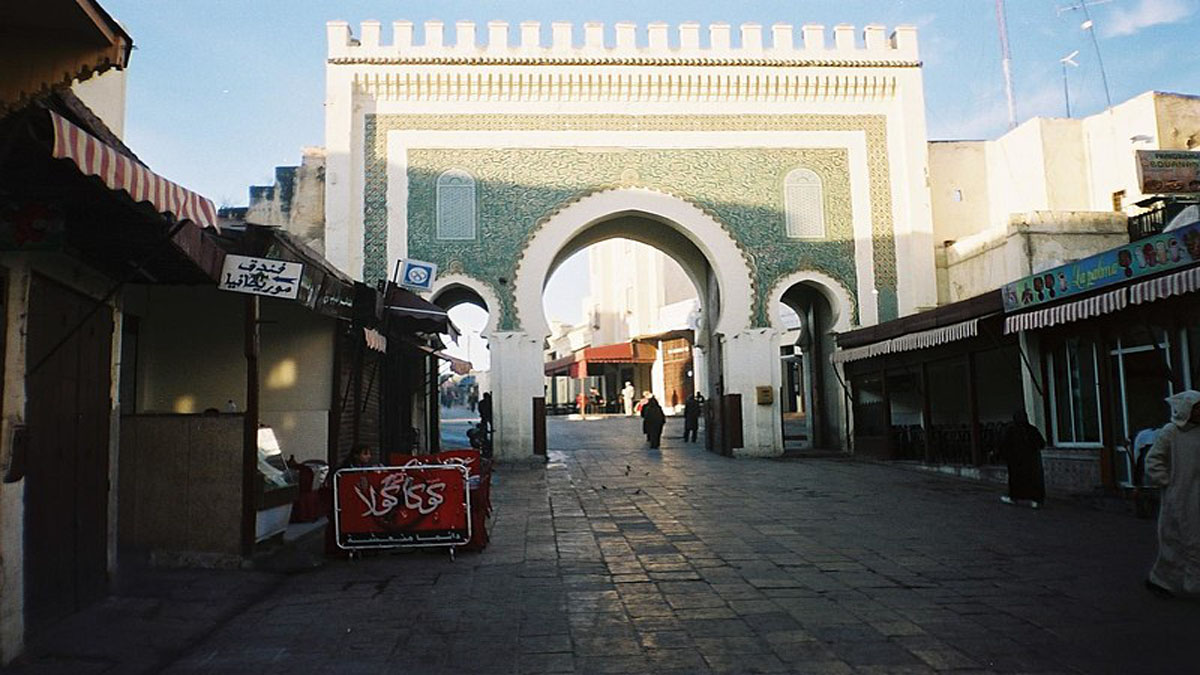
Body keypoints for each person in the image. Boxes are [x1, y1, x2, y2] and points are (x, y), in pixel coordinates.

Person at [1144, 390, 1200, 598]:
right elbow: (1153, 460)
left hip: (1196, 492)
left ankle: (1191, 582)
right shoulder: (1172, 432)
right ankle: (1163, 580)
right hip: (1180, 493)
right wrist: (1166, 481)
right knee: (1177, 538)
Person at [1000, 410, 1045, 508]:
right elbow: (1041, 444)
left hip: (1016, 461)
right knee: (1033, 480)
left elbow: (1004, 444)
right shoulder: (1032, 430)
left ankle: (1014, 498)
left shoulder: (1011, 430)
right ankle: (1035, 500)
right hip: (1031, 461)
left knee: (1016, 480)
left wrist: (1006, 456)